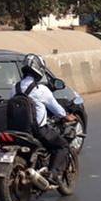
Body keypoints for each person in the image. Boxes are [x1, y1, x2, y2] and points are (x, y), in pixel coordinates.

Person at [16, 54, 77, 186]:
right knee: (62, 146)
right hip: (37, 130)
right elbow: (56, 109)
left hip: (17, 129)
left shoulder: (14, 87)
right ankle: (53, 174)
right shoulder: (41, 89)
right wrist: (66, 116)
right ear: (38, 70)